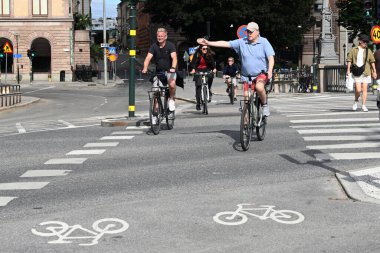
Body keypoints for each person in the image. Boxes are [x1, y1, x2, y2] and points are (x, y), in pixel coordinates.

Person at [197, 22, 274, 116]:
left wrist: (270, 70)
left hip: (261, 74)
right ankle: (246, 123)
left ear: (257, 32)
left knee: (259, 87)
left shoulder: (264, 42)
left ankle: (265, 105)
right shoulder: (242, 42)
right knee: (246, 98)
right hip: (247, 76)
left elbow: (271, 58)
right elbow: (225, 43)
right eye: (247, 31)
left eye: (251, 32)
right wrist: (209, 43)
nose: (248, 33)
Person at [142, 27, 178, 112]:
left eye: (162, 36)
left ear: (165, 36)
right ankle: (155, 113)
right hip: (158, 73)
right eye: (158, 36)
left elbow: (174, 58)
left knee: (172, 84)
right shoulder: (154, 46)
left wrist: (173, 68)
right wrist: (145, 68)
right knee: (155, 92)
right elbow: (148, 58)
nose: (160, 37)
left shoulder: (170, 46)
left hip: (169, 71)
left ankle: (172, 99)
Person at [346, 34, 376, 112]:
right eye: (364, 41)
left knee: (365, 90)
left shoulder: (368, 51)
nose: (365, 43)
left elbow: (372, 61)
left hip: (366, 72)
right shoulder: (354, 49)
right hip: (357, 72)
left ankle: (363, 105)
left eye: (367, 42)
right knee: (358, 90)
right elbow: (349, 60)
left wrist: (374, 71)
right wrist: (348, 70)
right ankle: (356, 102)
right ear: (360, 41)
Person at [190, 45, 217, 110]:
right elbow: (193, 63)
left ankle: (209, 89)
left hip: (206, 69)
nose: (205, 50)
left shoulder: (209, 55)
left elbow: (213, 63)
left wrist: (214, 68)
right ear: (200, 49)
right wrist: (193, 69)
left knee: (211, 76)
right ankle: (198, 103)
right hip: (198, 70)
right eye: (204, 49)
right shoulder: (197, 54)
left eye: (206, 49)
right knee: (198, 87)